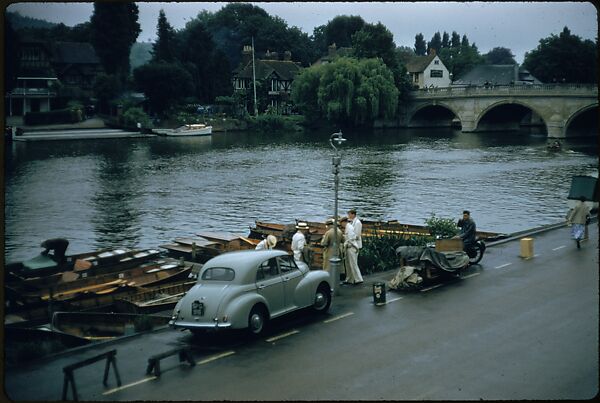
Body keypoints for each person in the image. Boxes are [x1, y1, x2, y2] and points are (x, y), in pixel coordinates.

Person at [340, 216, 363, 285]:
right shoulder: (347, 227)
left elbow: (351, 238)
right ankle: (350, 279)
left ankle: (358, 279)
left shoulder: (349, 228)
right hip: (348, 248)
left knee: (353, 264)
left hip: (351, 248)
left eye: (341, 223)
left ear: (344, 222)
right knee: (348, 264)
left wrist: (345, 244)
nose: (341, 225)